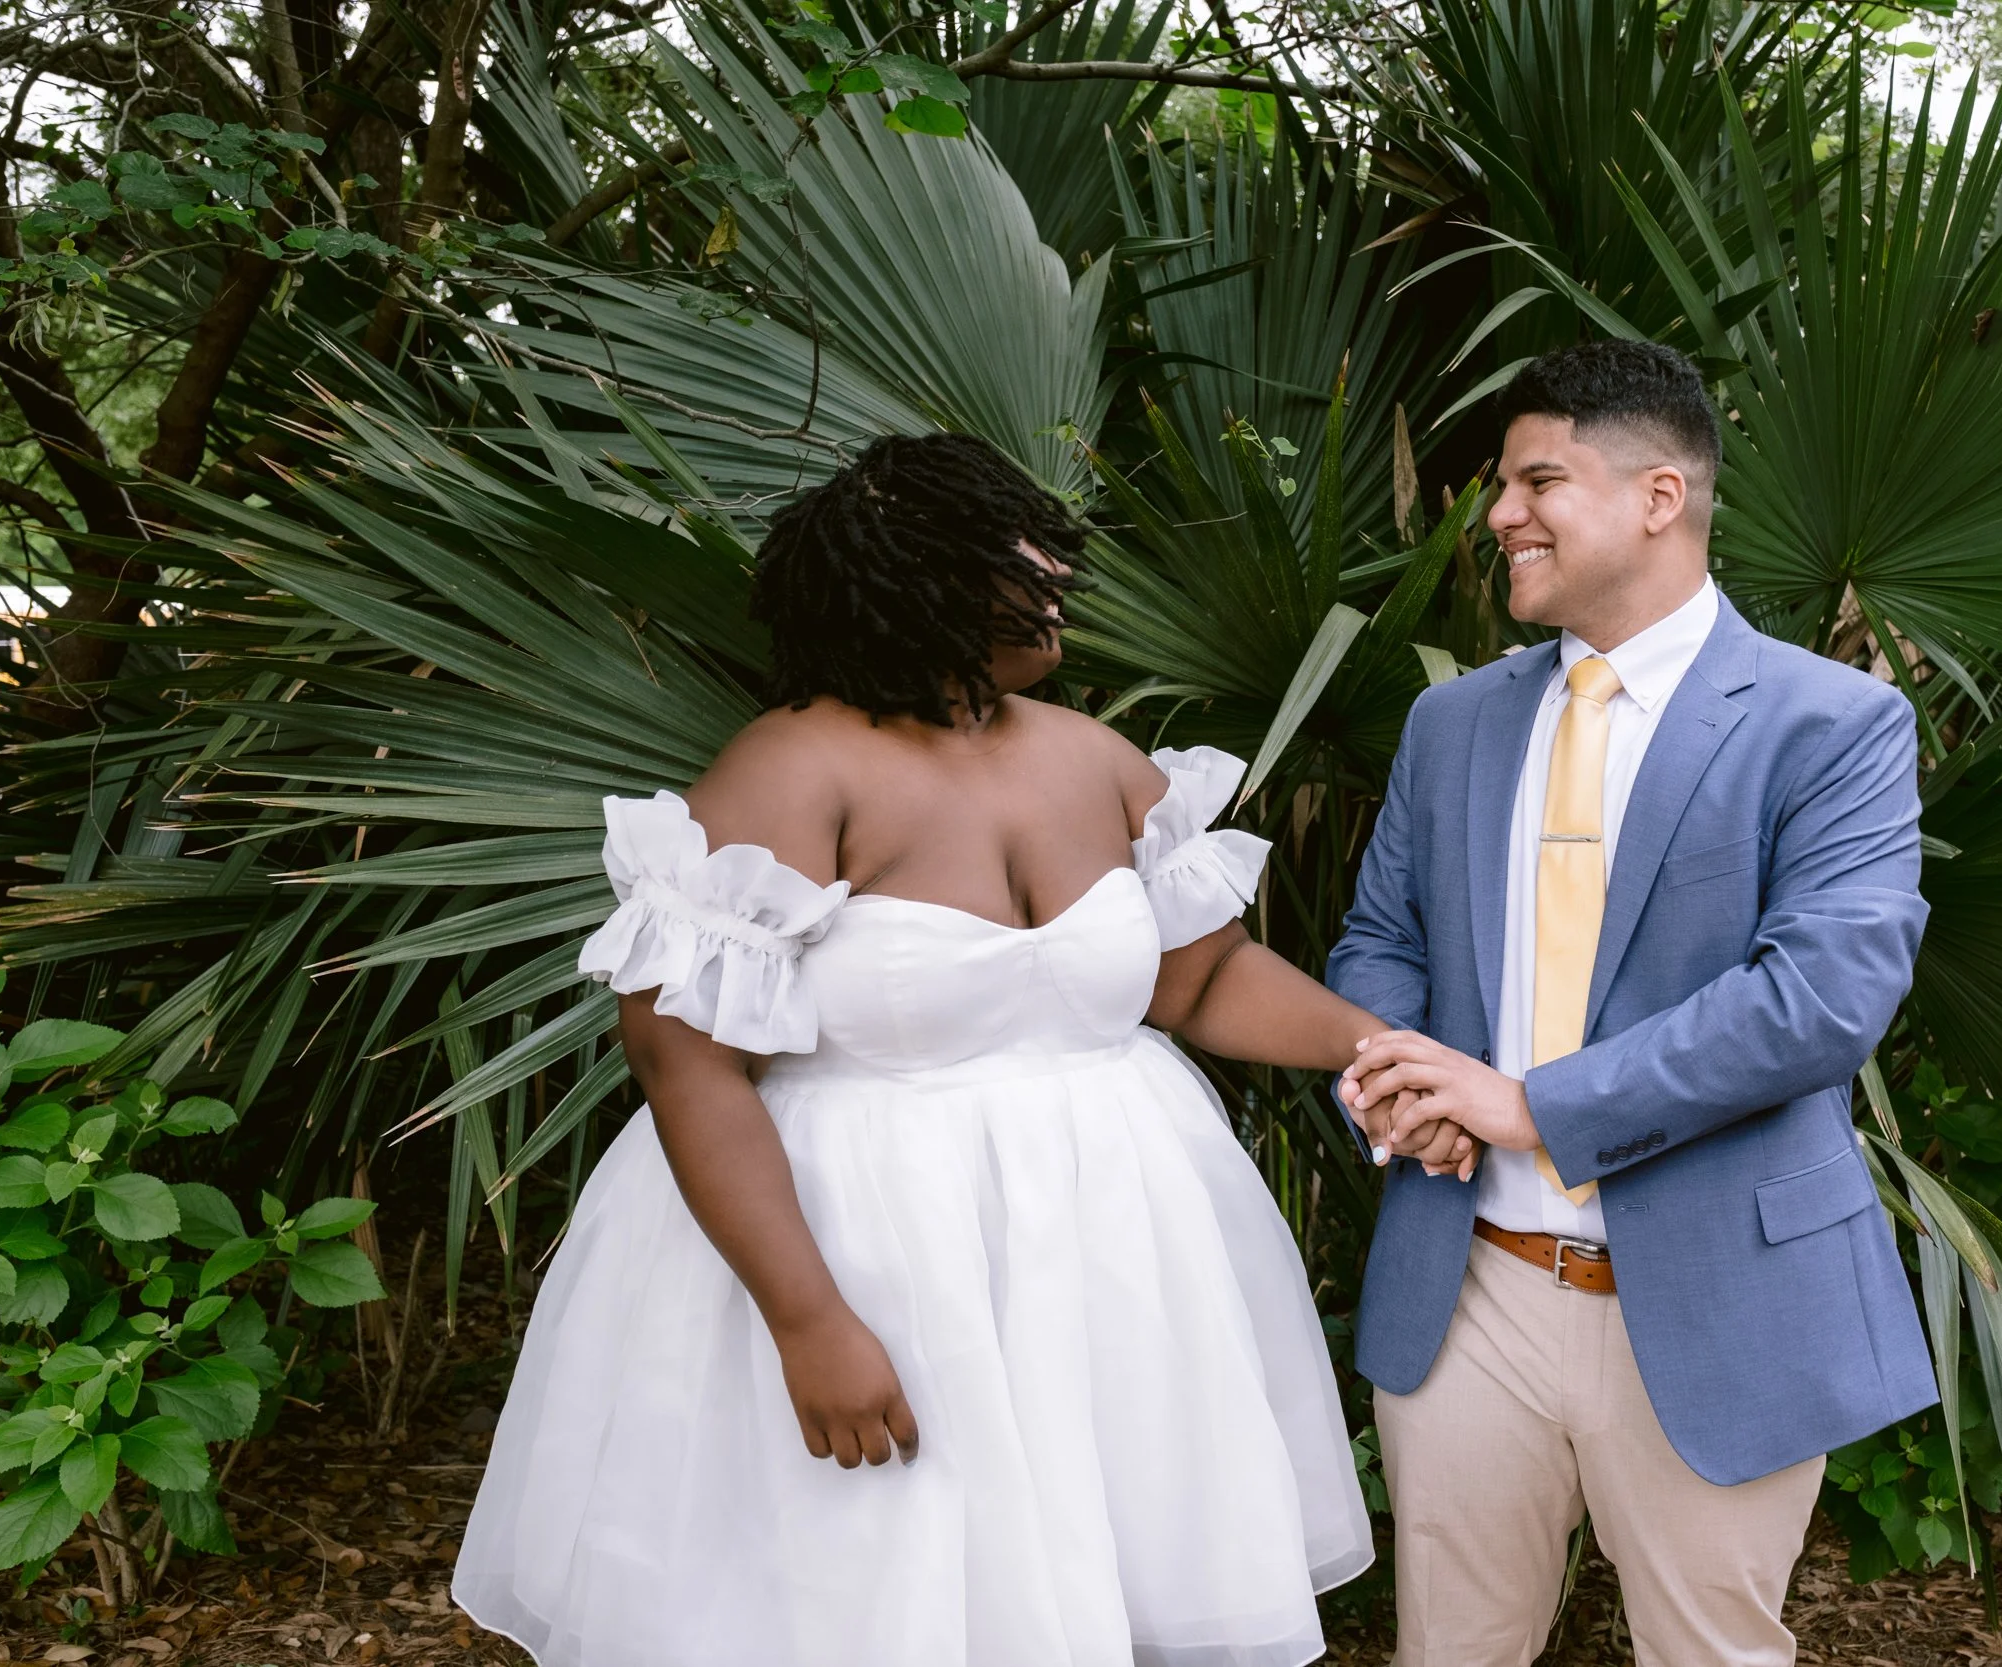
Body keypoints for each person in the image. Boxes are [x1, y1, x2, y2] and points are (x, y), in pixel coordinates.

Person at [454, 432, 1385, 1667]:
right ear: (924, 578)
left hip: (1111, 1237)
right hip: (870, 1249)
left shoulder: (1093, 756)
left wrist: (1381, 1047)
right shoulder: (794, 771)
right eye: (1022, 553)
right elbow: (688, 1066)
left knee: (1099, 1564)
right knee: (885, 1592)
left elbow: (1198, 978)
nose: (1057, 571)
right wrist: (808, 1321)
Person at [1329, 339, 1939, 1667]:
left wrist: (1528, 1104)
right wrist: (1391, 1082)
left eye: (1538, 480)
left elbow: (1820, 998)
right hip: (1468, 1285)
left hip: (1719, 1297)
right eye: (1502, 484)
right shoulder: (1453, 723)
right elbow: (1381, 939)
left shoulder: (1829, 723)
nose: (1500, 513)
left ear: (1660, 496)